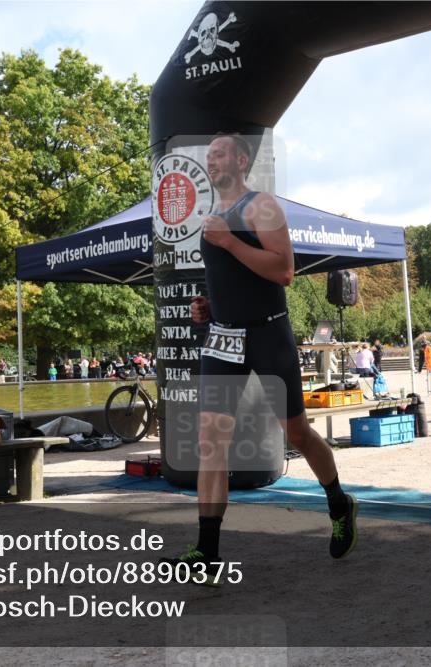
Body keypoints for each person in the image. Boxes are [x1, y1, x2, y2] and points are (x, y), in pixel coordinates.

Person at [160, 132, 357, 584]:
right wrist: (208, 306)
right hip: (223, 338)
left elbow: (284, 270)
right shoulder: (214, 216)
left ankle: (338, 503)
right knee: (211, 442)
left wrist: (230, 241)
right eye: (209, 155)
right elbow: (232, 279)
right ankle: (207, 552)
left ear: (241, 160)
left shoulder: (261, 207)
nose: (212, 160)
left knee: (297, 433)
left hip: (268, 334)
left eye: (220, 153)